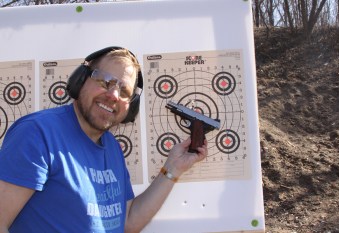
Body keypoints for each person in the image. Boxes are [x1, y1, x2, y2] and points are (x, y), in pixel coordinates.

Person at [0, 47, 208, 233]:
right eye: (105, 81)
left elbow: (128, 221)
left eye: (124, 91)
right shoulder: (38, 134)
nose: (114, 95)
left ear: (130, 106)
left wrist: (173, 168)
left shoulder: (112, 148)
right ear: (80, 81)